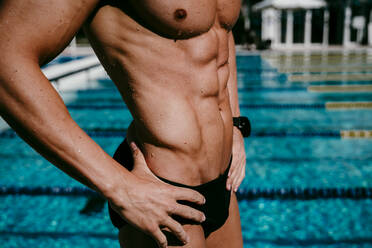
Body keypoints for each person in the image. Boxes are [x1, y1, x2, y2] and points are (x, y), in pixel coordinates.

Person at [0, 0, 247, 247]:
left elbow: (220, 31)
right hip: (165, 186)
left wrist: (235, 124)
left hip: (224, 179)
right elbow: (5, 55)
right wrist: (119, 187)